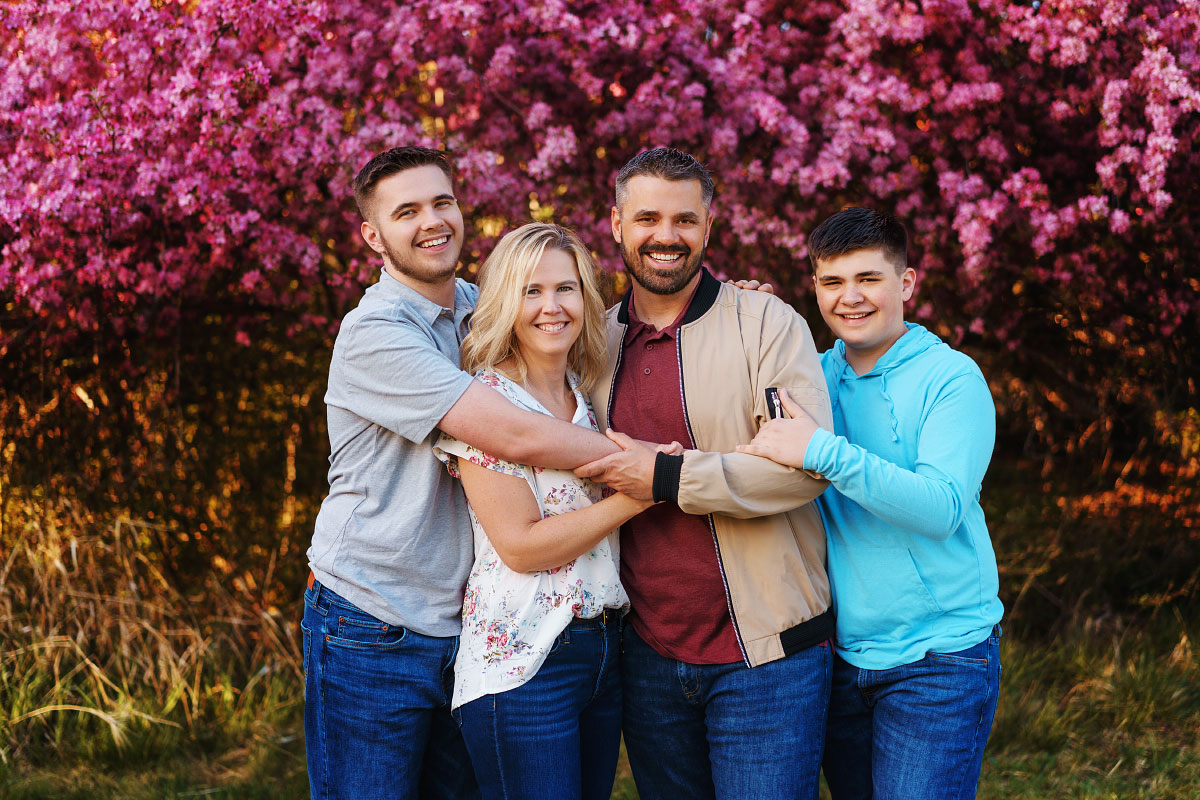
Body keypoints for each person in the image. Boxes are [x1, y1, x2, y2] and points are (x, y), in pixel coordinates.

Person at [301, 147, 624, 800]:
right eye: (407, 211)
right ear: (373, 235)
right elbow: (510, 430)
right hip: (374, 619)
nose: (432, 221)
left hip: (468, 622)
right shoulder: (377, 334)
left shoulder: (483, 308)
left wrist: (725, 310)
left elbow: (576, 323)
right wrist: (642, 471)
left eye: (441, 202)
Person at [575, 147, 836, 799]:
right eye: (648, 219)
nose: (667, 236)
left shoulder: (768, 324)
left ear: (710, 225)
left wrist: (667, 478)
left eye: (685, 220)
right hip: (649, 660)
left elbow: (804, 470)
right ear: (616, 223)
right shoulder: (589, 345)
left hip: (768, 657)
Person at [737, 207, 1004, 800]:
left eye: (868, 279)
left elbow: (941, 508)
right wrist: (751, 317)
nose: (850, 298)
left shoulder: (952, 379)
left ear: (905, 284)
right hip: (837, 658)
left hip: (939, 660)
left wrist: (823, 451)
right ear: (815, 288)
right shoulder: (810, 376)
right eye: (832, 282)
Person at [433, 222, 656, 800]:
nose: (551, 307)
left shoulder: (586, 393)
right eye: (532, 291)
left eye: (566, 289)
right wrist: (636, 496)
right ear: (506, 300)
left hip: (603, 651)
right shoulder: (487, 405)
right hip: (524, 663)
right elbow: (522, 546)